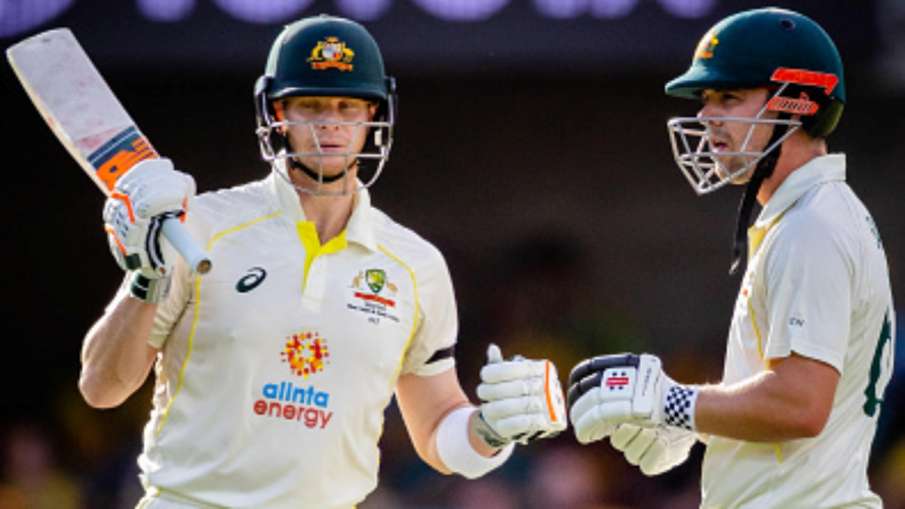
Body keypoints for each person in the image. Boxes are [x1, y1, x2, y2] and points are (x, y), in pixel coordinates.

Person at [79, 14, 567, 508]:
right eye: (310, 105)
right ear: (277, 113)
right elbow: (101, 388)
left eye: (348, 105)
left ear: (374, 116)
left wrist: (492, 428)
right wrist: (147, 277)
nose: (330, 122)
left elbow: (438, 430)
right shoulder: (198, 228)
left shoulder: (415, 266)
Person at [567, 7, 895, 508]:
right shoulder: (811, 215)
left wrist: (672, 402)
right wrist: (693, 419)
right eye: (705, 99)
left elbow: (801, 405)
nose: (705, 117)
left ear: (797, 104)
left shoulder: (812, 226)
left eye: (729, 97)